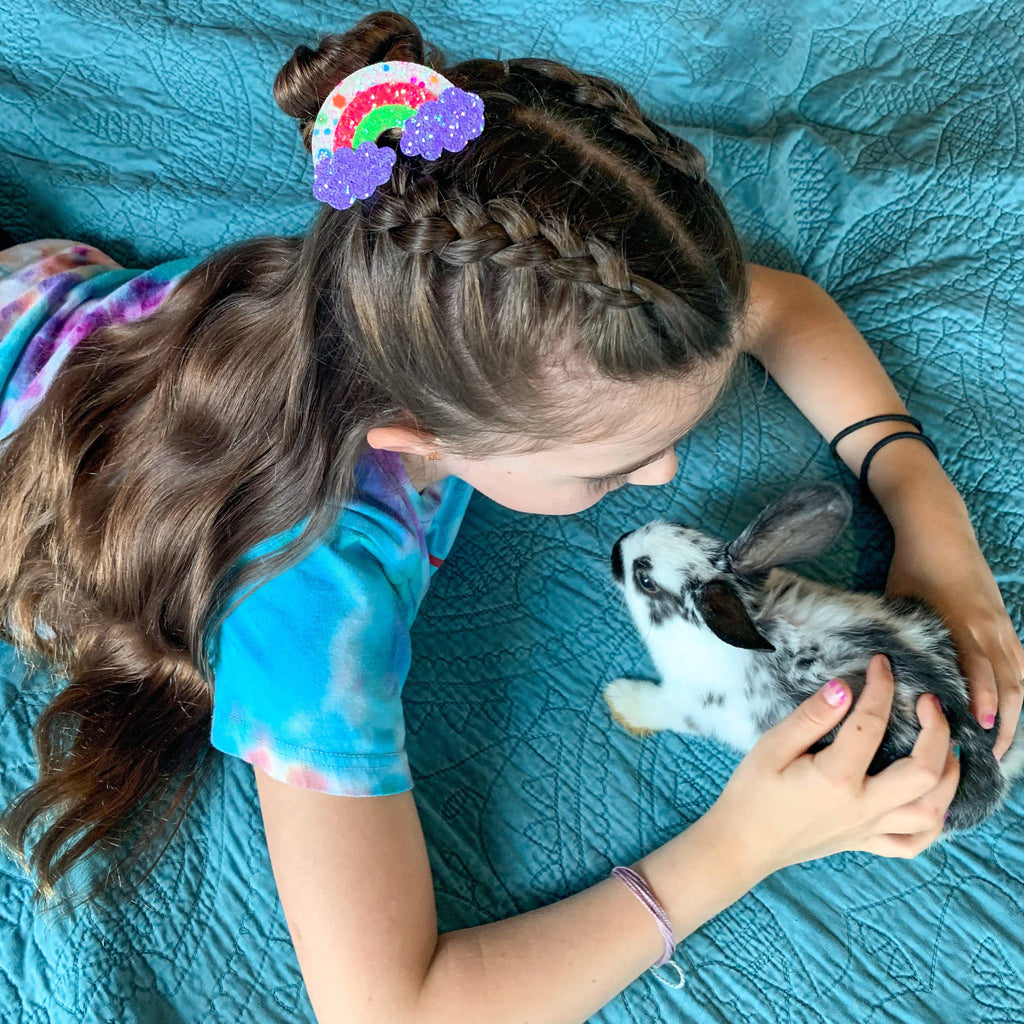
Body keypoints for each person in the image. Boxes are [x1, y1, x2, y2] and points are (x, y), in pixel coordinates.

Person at [0, 9, 1020, 1023]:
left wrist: (922, 504)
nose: (664, 475)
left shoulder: (440, 284)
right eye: (612, 465)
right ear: (421, 441)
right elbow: (387, 1007)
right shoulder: (305, 588)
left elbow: (783, 307)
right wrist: (746, 841)